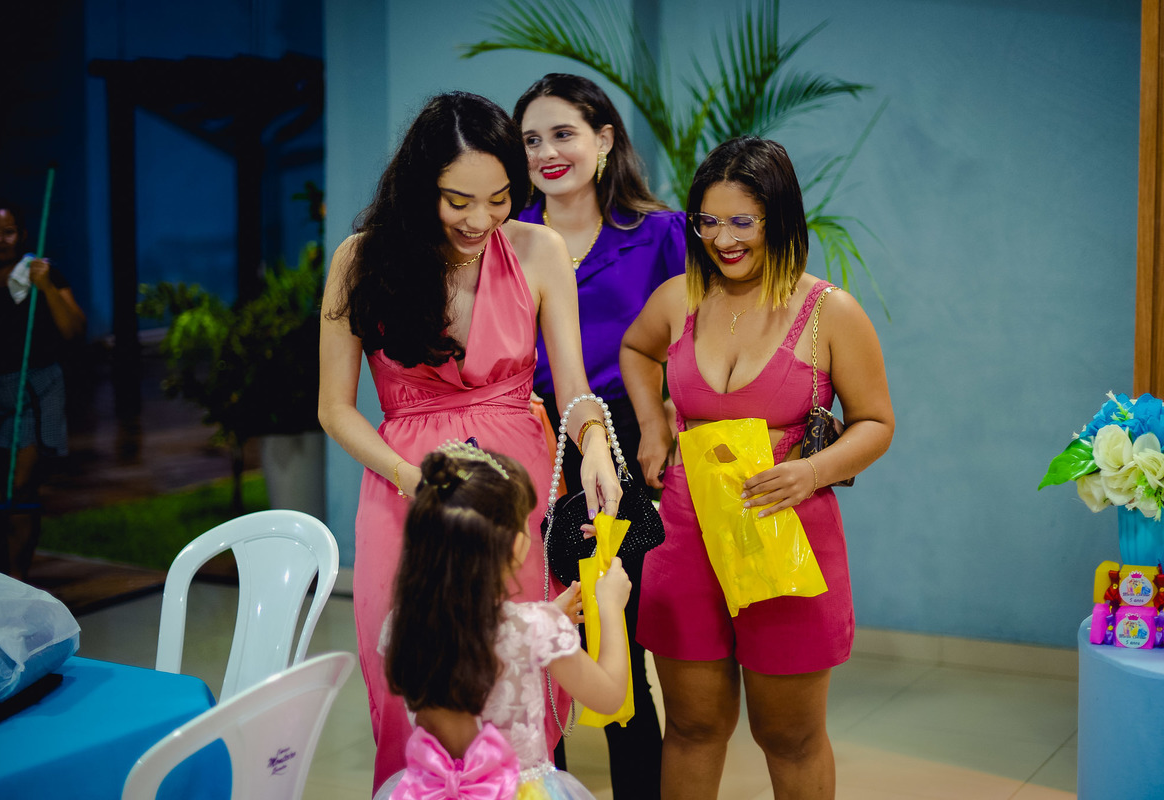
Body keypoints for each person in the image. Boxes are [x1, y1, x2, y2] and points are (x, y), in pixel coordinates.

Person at [318, 91, 622, 793]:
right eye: (458, 201)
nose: (480, 220)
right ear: (419, 186)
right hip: (409, 497)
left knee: (523, 680)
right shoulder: (361, 259)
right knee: (409, 687)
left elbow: (574, 388)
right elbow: (335, 410)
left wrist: (595, 445)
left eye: (499, 199)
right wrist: (412, 478)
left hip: (515, 498)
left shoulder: (539, 250)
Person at [620, 137, 894, 799]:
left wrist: (812, 473)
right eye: (707, 222)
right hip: (686, 529)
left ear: (779, 217)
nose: (723, 239)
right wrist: (653, 426)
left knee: (788, 736)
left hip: (784, 531)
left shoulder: (830, 311)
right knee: (692, 726)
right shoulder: (680, 299)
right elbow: (636, 349)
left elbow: (876, 423)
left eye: (742, 221)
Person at [513, 72, 683, 795]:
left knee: (617, 644)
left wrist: (661, 419)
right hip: (524, 448)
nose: (547, 154)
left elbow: (691, 343)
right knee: (529, 642)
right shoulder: (507, 236)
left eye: (563, 134)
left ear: (605, 139)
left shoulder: (662, 234)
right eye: (531, 141)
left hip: (620, 450)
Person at [374, 442, 631, 800]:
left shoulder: (400, 625)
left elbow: (482, 637)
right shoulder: (535, 627)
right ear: (512, 544)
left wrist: (547, 615)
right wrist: (611, 607)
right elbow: (610, 696)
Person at [0, 200, 86, 580]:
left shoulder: (40, 273)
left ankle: (17, 578)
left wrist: (45, 286)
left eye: (8, 232)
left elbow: (73, 330)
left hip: (31, 391)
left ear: (22, 235)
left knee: (19, 492)